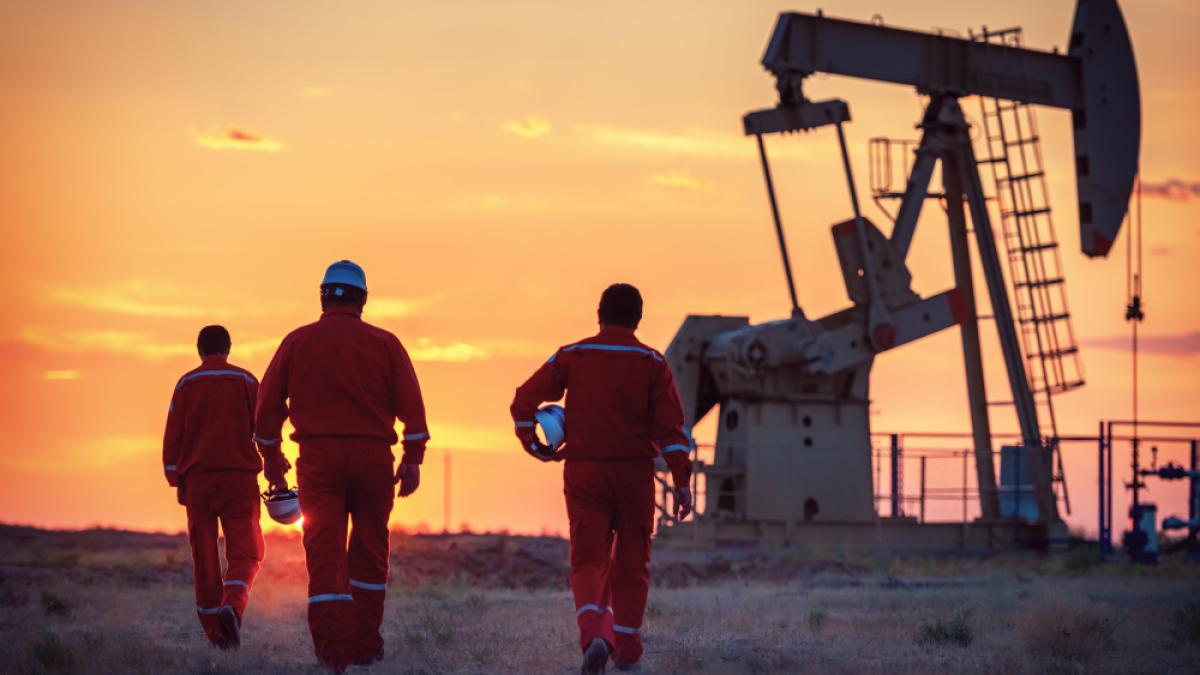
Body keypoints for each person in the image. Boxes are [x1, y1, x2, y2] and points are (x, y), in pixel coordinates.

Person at [510, 283, 694, 674]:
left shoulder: (572, 355)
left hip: (585, 473)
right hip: (634, 476)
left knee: (589, 559)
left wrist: (533, 442)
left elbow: (523, 400)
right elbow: (672, 431)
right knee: (632, 563)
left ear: (599, 314)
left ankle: (595, 633)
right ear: (639, 318)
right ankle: (626, 651)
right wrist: (682, 483)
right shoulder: (653, 363)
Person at [255, 260, 429, 672]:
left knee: (325, 556)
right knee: (370, 551)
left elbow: (265, 414)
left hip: (318, 463)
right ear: (363, 299)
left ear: (322, 296)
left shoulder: (297, 343)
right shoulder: (386, 344)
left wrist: (274, 464)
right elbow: (414, 412)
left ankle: (333, 655)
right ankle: (366, 647)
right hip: (373, 462)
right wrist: (412, 460)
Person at [162, 325, 275, 650]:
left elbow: (173, 436)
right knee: (247, 553)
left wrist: (176, 478)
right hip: (239, 481)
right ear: (228, 348)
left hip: (198, 484)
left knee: (205, 560)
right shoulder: (245, 381)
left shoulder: (185, 384)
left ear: (199, 350)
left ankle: (217, 635)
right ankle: (233, 606)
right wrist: (274, 468)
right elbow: (264, 428)